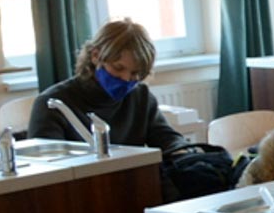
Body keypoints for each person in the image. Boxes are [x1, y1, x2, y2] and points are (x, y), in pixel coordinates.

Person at [26, 19, 187, 153]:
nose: (126, 79)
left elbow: (166, 138)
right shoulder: (53, 104)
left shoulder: (140, 97)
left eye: (135, 73)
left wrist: (183, 153)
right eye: (118, 68)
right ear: (96, 56)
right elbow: (48, 166)